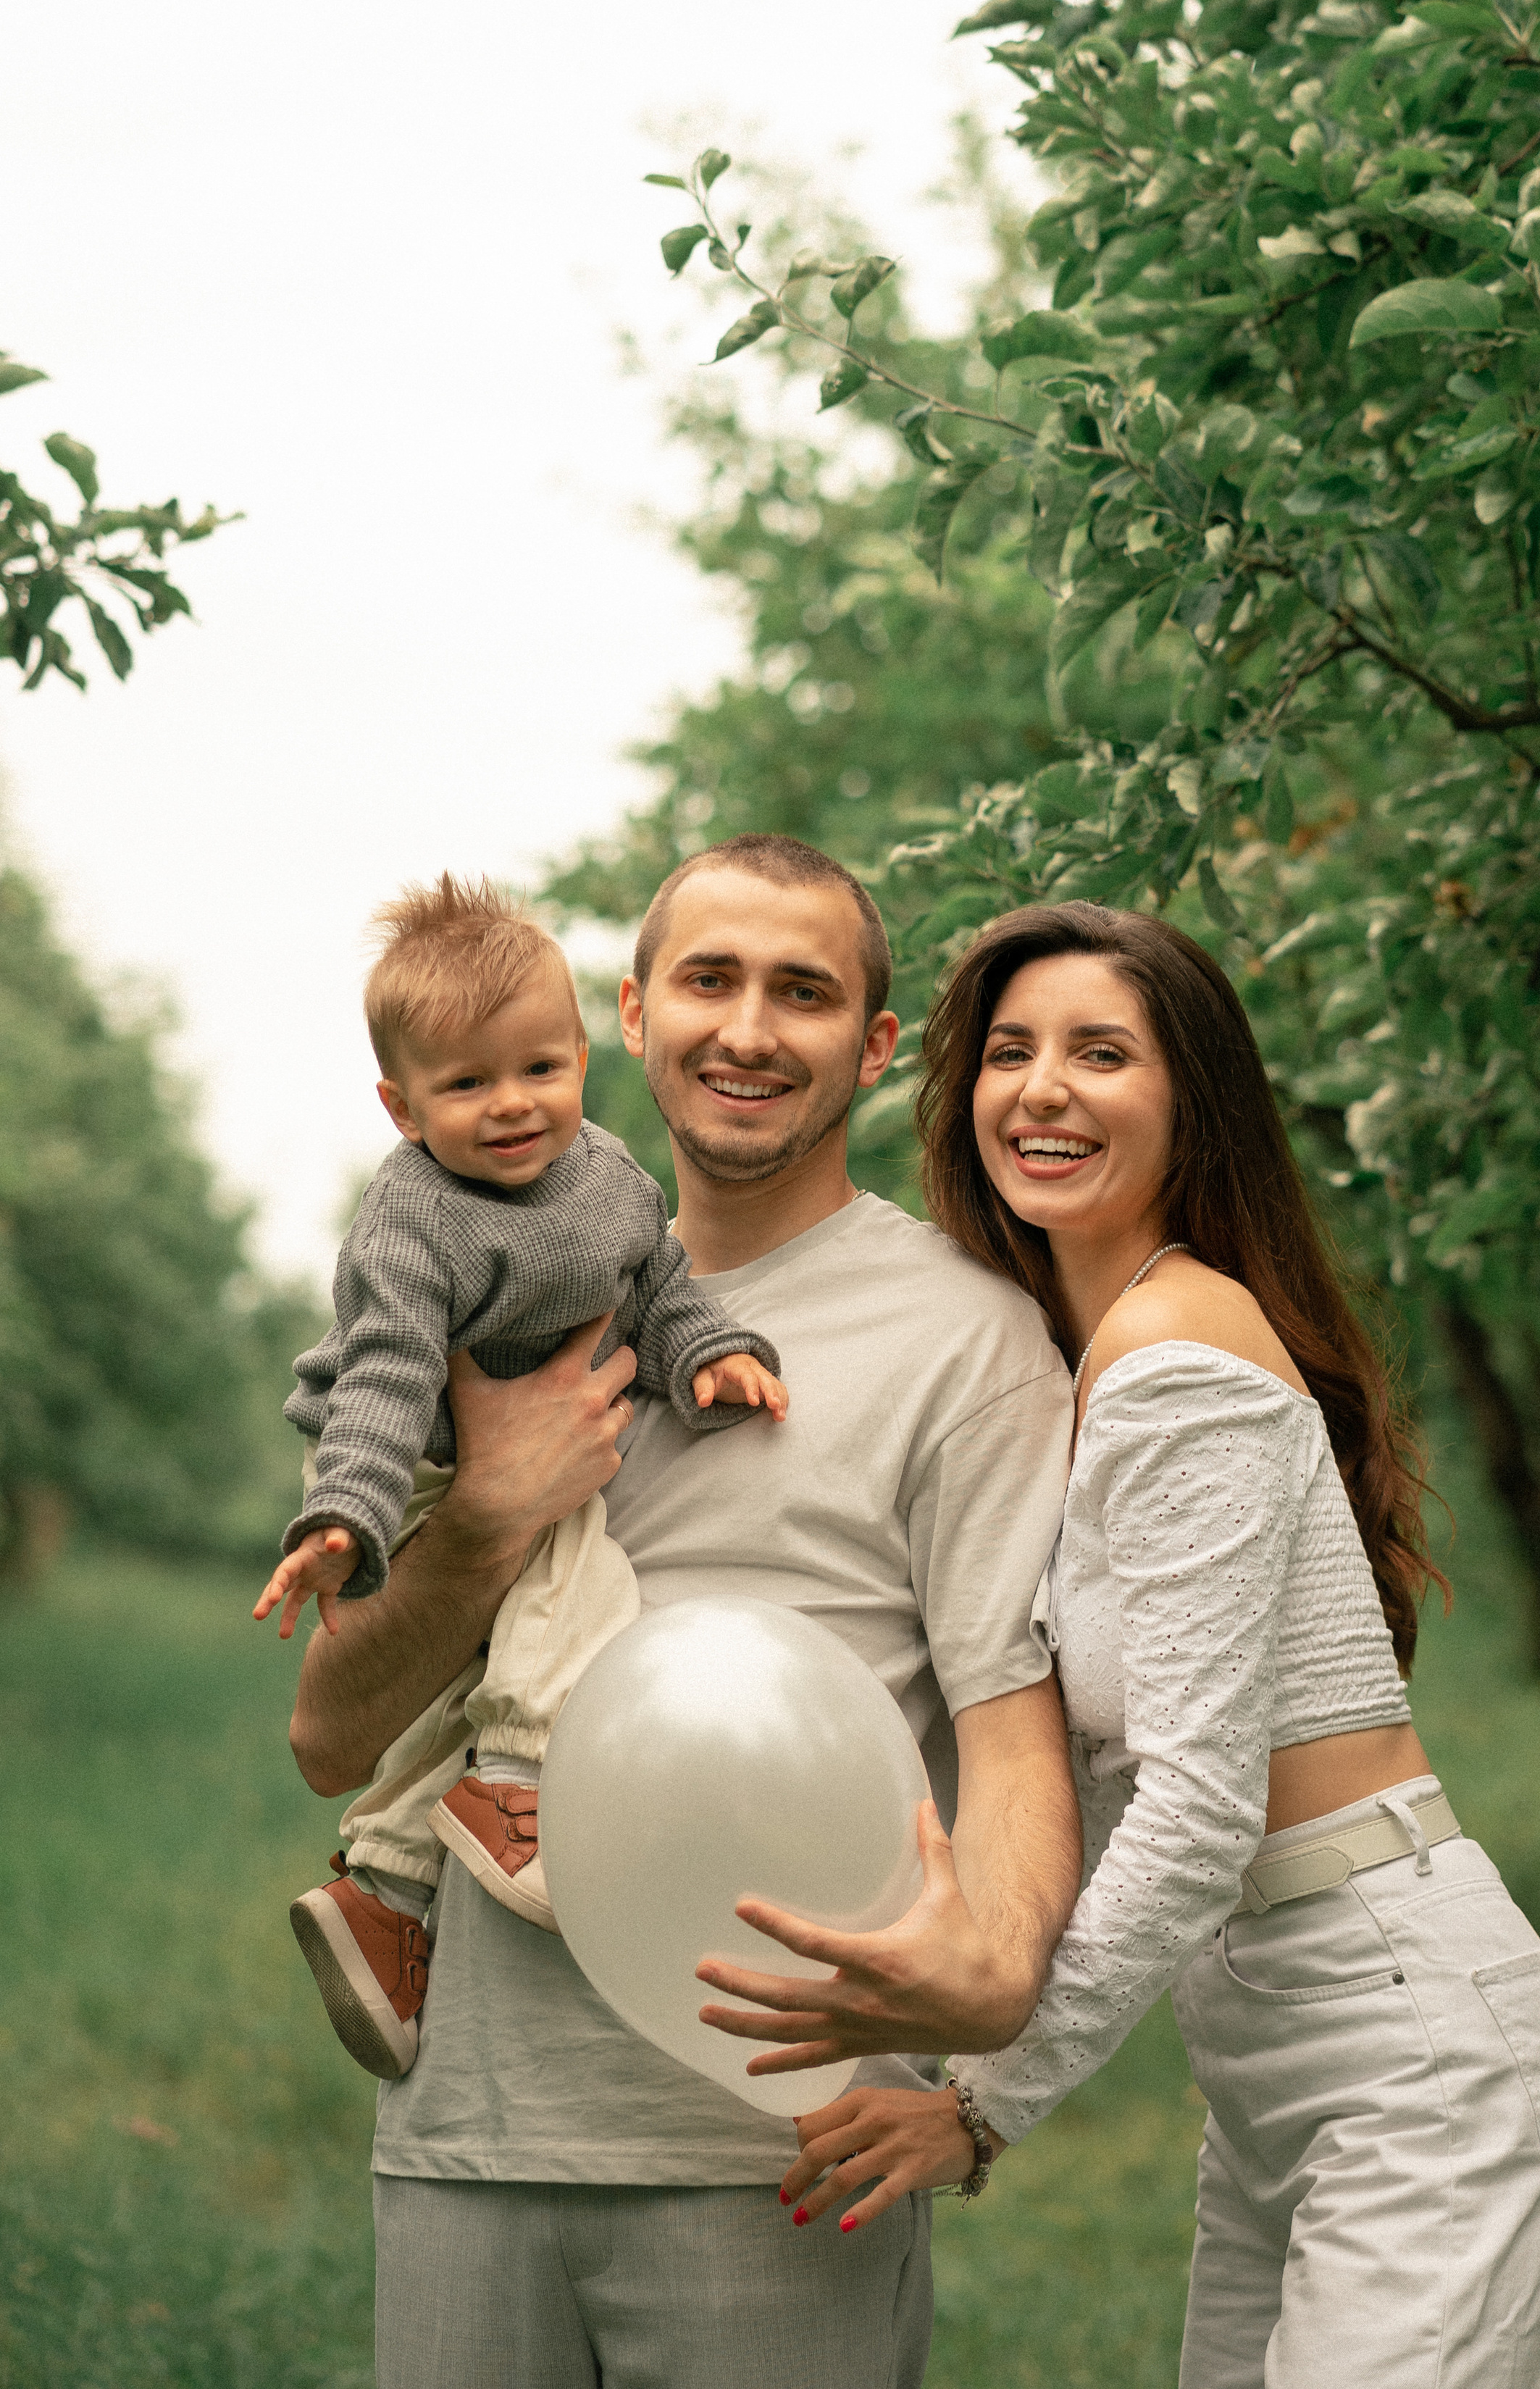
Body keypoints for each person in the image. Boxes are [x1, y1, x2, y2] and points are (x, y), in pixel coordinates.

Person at [697, 900, 1540, 2389]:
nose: (1041, 1089)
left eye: (1099, 1052)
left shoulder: (1175, 1355)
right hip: (1270, 2056)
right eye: (1007, 1052)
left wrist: (981, 2103)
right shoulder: (1066, 1356)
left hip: (1413, 2056)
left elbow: (1194, 1810)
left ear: (1191, 1101)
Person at [286, 834, 1081, 2389]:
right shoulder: (470, 1311)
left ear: (870, 1047)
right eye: (708, 979)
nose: (747, 1028)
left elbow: (1012, 1744)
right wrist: (494, 1513)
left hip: (781, 2149)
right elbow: (328, 1741)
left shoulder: (970, 1344)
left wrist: (990, 2039)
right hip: (472, 2133)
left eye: (802, 992)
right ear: (633, 1016)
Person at [257, 875, 784, 2078]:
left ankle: (386, 1887)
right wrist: (346, 1514)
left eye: (539, 1071)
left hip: (516, 1444)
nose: (512, 1107)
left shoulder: (611, 1179)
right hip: (411, 1461)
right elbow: (388, 1372)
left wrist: (713, 1357)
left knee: (492, 1654)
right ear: (400, 1106)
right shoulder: (410, 1223)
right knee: (582, 1586)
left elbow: (656, 1286)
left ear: (585, 1055)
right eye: (466, 1085)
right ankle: (513, 1788)